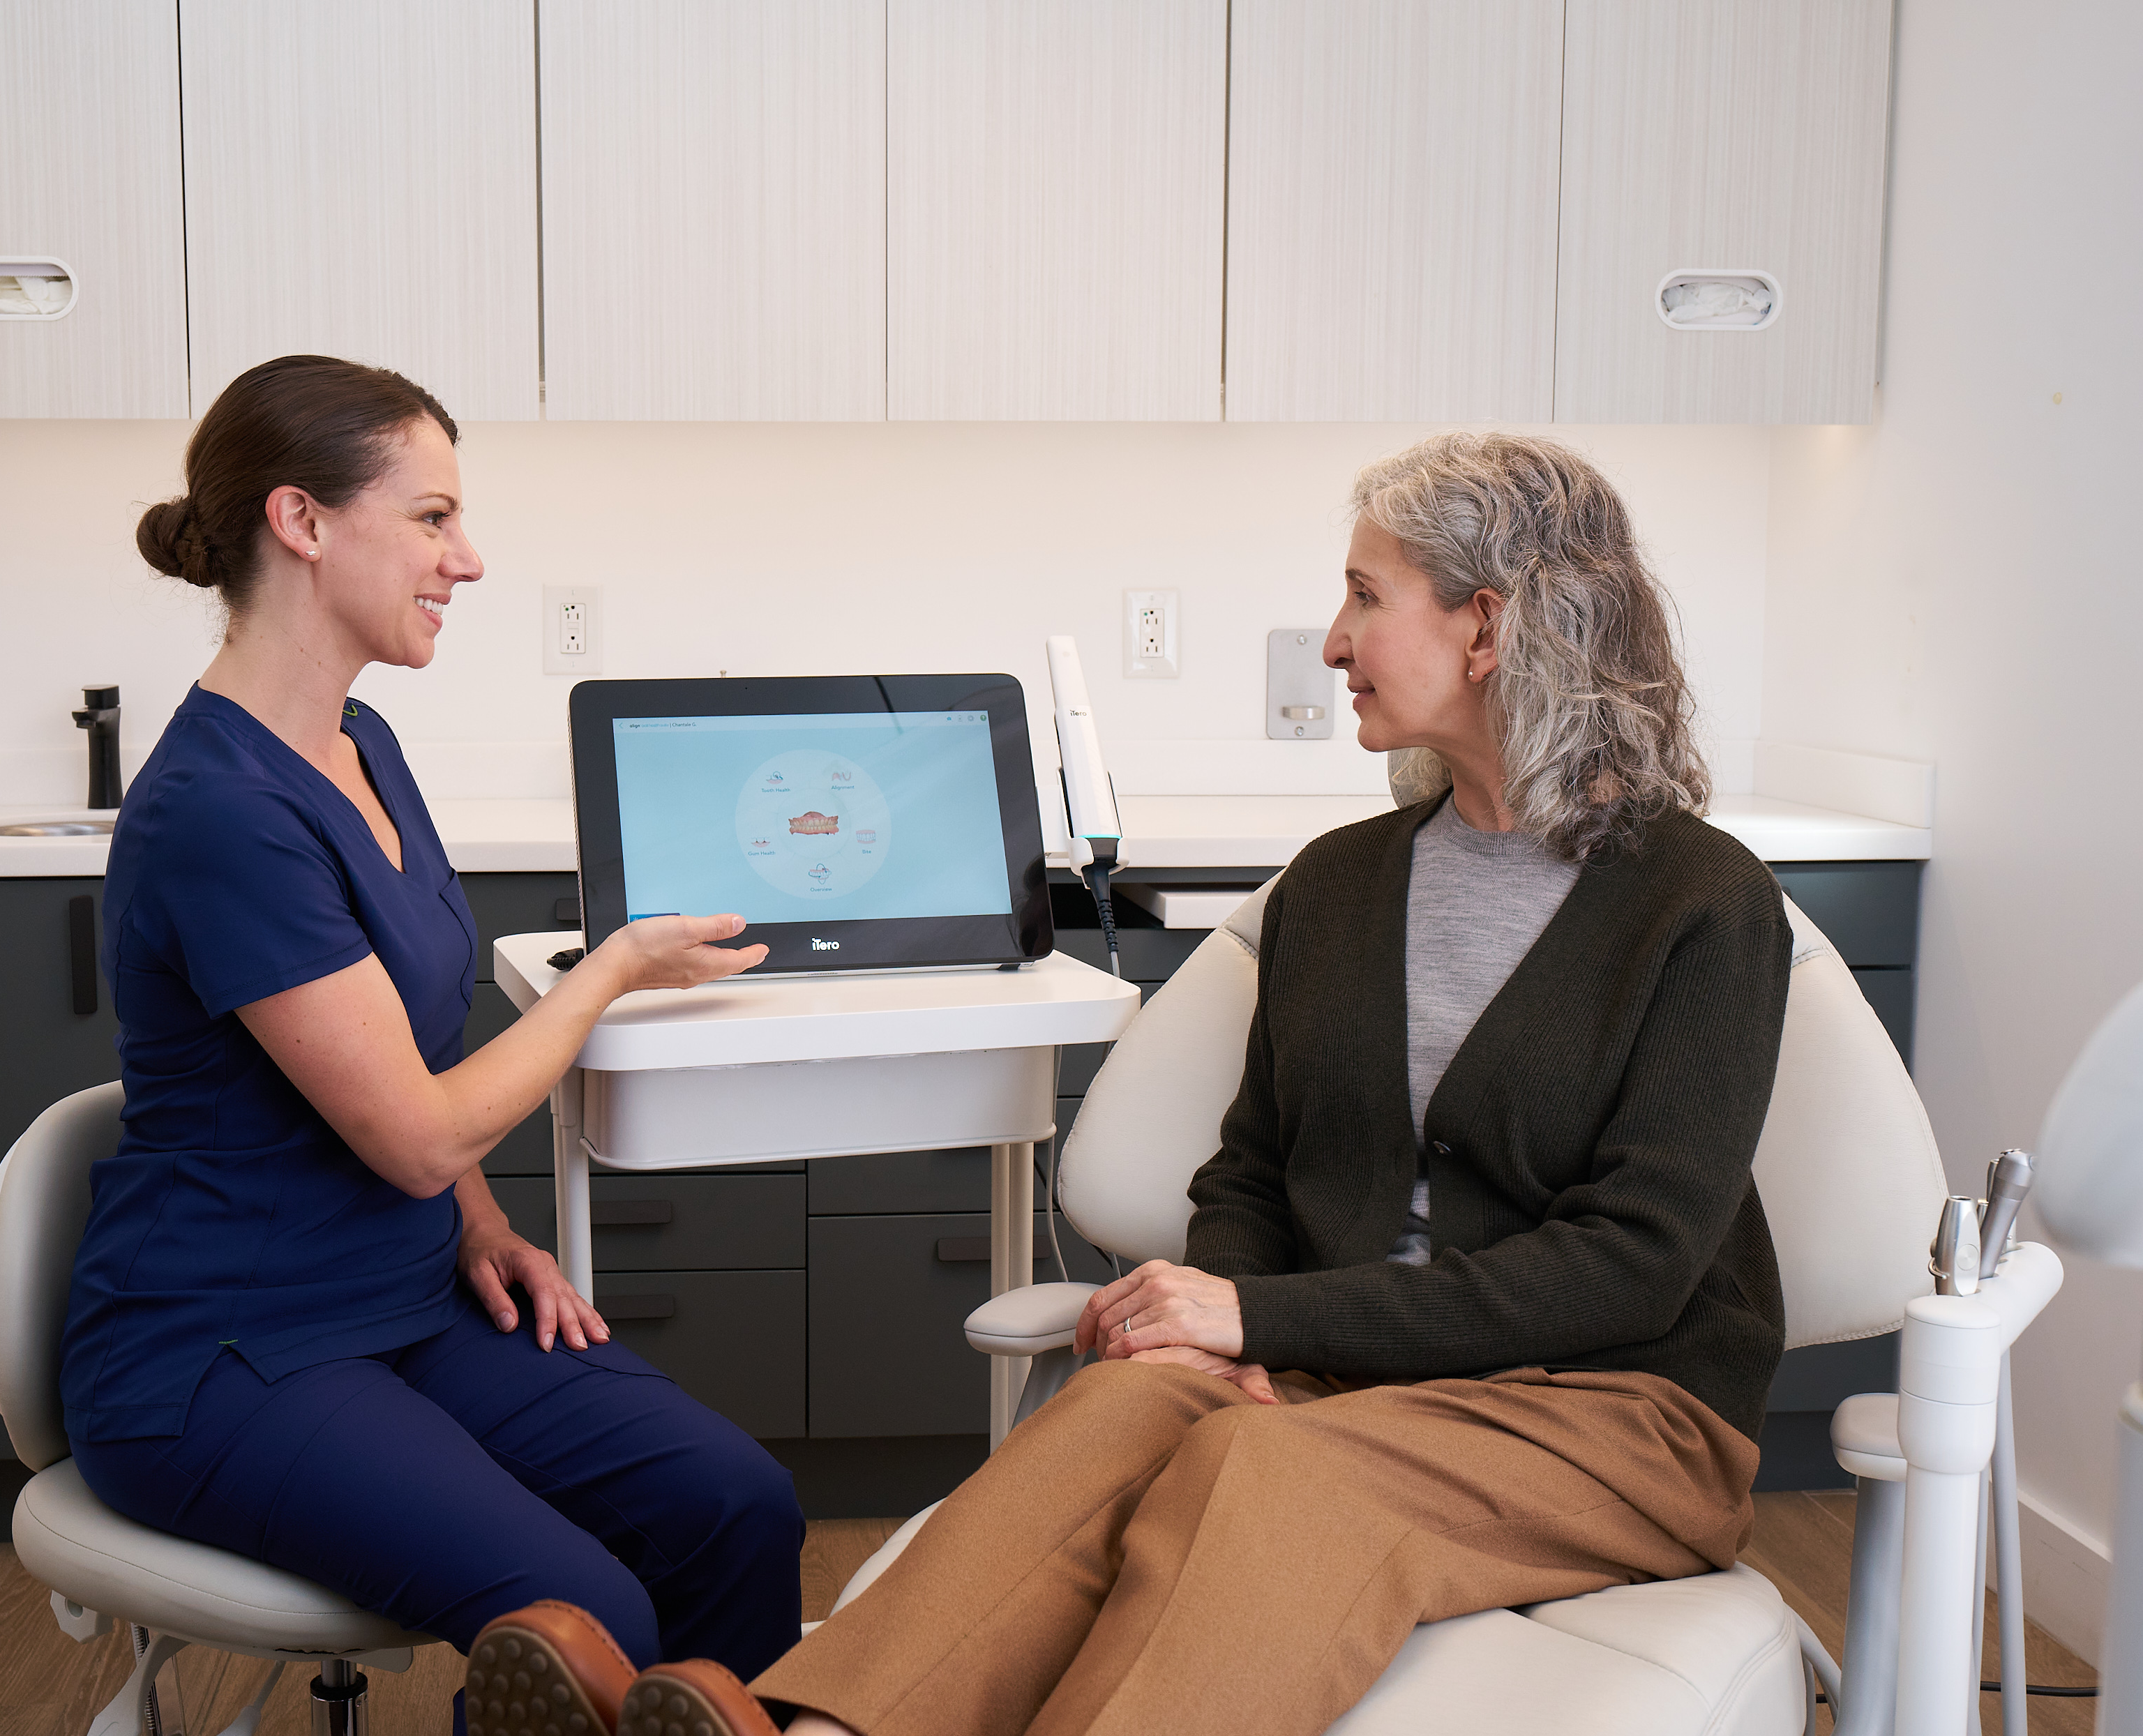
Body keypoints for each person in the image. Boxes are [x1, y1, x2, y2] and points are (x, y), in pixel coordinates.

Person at [488, 431, 1794, 1736]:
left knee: (1270, 1472)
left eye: (1364, 594)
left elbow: (1630, 1266)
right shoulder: (1337, 883)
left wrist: (1261, 1318)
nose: (1333, 641)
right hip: (1348, 1374)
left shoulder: (1701, 904)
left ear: (1486, 627)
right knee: (1120, 1409)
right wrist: (1224, 1330)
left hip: (1609, 1408)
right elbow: (1252, 1171)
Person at [58, 355, 803, 1724]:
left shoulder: (364, 747)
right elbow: (410, 1134)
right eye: (433, 517)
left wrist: (482, 1223)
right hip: (223, 1355)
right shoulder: (221, 810)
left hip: (410, 1303)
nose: (467, 558)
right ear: (302, 520)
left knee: (735, 1505)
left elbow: (403, 1058)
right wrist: (611, 970)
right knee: (585, 1612)